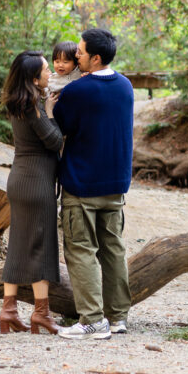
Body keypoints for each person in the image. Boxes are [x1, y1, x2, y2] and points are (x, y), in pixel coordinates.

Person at [53, 27, 134, 339]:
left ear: (95, 58)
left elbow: (60, 124)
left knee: (80, 250)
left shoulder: (78, 91)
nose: (76, 55)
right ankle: (119, 317)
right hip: (115, 184)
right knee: (113, 249)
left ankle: (91, 320)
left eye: (81, 52)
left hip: (82, 184)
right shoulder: (126, 86)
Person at [0, 50, 63, 336]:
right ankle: (42, 313)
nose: (50, 73)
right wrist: (50, 112)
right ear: (34, 79)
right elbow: (54, 141)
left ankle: (9, 310)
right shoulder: (34, 106)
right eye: (46, 70)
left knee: (17, 246)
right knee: (41, 246)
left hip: (19, 180)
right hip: (36, 182)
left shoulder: (18, 103)